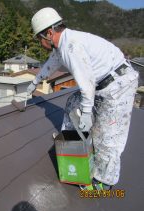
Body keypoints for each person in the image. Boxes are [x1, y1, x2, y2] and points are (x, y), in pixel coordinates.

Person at [27, 7, 139, 190]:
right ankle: (71, 143)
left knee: (108, 134)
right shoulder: (62, 44)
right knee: (73, 103)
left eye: (39, 38)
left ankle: (104, 182)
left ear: (48, 33)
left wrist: (86, 113)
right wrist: (35, 81)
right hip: (103, 83)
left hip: (119, 84)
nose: (40, 42)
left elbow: (87, 84)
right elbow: (52, 63)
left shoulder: (71, 46)